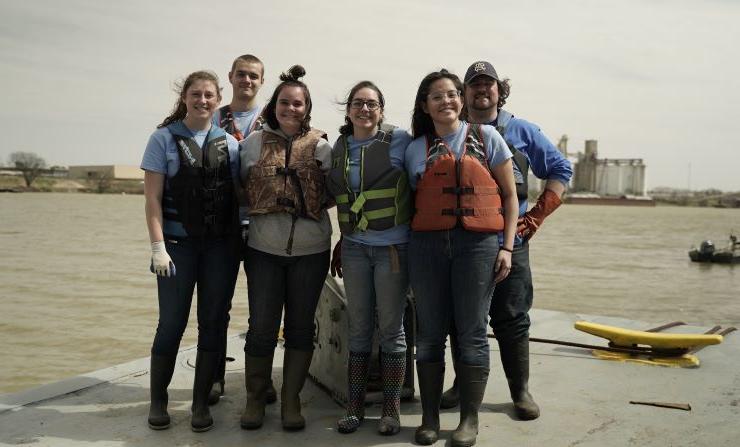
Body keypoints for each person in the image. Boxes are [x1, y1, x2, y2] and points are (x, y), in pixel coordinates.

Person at [440, 60, 572, 421]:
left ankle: (520, 390)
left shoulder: (523, 131)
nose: (482, 90)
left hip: (510, 242)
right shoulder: (449, 131)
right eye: (474, 85)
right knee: (462, 319)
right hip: (462, 242)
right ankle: (461, 383)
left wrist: (537, 216)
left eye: (489, 84)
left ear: (500, 90)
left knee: (512, 317)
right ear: (464, 93)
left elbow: (562, 169)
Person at [405, 69, 518, 447]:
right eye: (437, 96)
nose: (447, 101)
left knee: (472, 332)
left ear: (461, 99)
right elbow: (409, 202)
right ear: (425, 105)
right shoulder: (413, 149)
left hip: (478, 246)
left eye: (452, 94)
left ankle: (469, 421)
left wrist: (507, 247)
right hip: (427, 248)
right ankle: (430, 418)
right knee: (431, 333)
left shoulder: (489, 139)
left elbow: (510, 196)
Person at [141, 70, 241, 432]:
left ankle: (200, 405)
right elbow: (152, 199)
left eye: (209, 95)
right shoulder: (162, 139)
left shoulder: (231, 144)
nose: (202, 100)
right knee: (171, 324)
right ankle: (159, 401)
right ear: (184, 97)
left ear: (218, 100)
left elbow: (238, 200)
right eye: (196, 94)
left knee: (212, 324)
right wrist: (158, 248)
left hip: (219, 249)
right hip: (177, 249)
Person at [239, 65, 333, 431]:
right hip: (263, 249)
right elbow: (238, 189)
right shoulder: (251, 144)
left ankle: (291, 401)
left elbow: (336, 193)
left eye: (298, 103)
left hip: (311, 251)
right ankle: (255, 398)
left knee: (300, 328)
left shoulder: (324, 147)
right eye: (284, 102)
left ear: (307, 108)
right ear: (273, 105)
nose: (290, 109)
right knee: (261, 327)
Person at [326, 81, 413, 435]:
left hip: (393, 249)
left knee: (392, 330)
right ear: (348, 110)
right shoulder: (339, 146)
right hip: (355, 248)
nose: (365, 109)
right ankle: (355, 408)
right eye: (358, 103)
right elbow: (340, 196)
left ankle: (391, 411)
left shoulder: (401, 141)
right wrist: (340, 242)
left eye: (372, 104)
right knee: (358, 328)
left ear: (381, 110)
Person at [208, 53, 275, 406]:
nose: (247, 81)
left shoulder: (274, 118)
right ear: (230, 77)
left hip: (264, 224)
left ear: (262, 81)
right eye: (241, 75)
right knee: (217, 305)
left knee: (262, 309)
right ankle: (214, 377)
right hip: (220, 225)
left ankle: (260, 381)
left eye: (254, 76)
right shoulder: (213, 117)